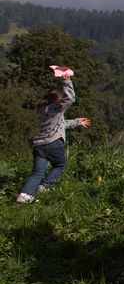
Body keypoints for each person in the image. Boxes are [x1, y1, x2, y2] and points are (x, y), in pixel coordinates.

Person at [16, 71, 91, 203]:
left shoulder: (42, 111)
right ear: (56, 100)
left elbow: (61, 124)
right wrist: (66, 81)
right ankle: (45, 186)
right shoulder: (56, 109)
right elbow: (70, 98)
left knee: (37, 173)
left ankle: (24, 195)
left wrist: (78, 122)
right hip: (53, 143)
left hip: (39, 145)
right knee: (59, 165)